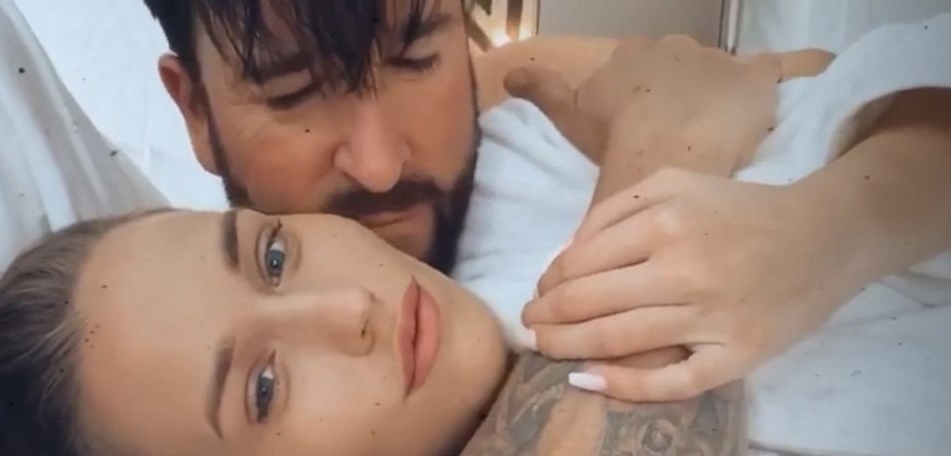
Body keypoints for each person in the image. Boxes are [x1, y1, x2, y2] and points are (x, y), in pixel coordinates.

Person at [138, 0, 951, 403]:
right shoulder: (205, 364)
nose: (381, 168)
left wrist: (834, 230)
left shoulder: (528, 101)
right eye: (291, 92)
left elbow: (836, 85)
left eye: (418, 57)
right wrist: (662, 147)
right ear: (194, 111)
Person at [0, 207, 746, 456]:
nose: (348, 309)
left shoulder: (524, 180)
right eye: (263, 388)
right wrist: (663, 141)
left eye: (273, 256)